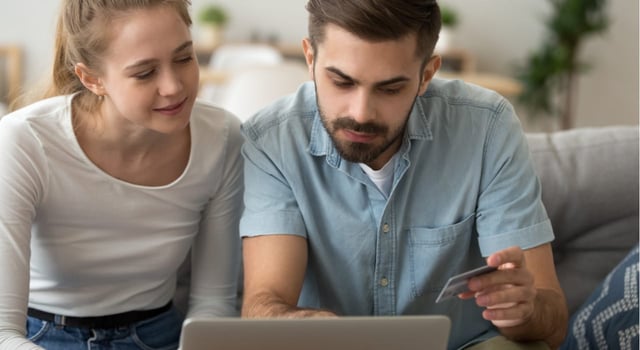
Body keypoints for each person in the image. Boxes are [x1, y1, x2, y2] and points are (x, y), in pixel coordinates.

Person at [239, 0, 568, 349]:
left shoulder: (487, 128)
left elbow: (553, 323)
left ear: (427, 75)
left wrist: (524, 309)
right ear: (310, 59)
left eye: (390, 88)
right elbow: (264, 304)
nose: (361, 113)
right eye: (342, 82)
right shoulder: (271, 142)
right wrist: (306, 325)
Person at [0, 0, 243, 349]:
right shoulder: (26, 139)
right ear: (91, 78)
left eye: (184, 58)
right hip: (41, 338)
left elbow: (212, 306)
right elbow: (3, 332)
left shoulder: (222, 138)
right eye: (145, 73)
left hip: (161, 335)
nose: (174, 86)